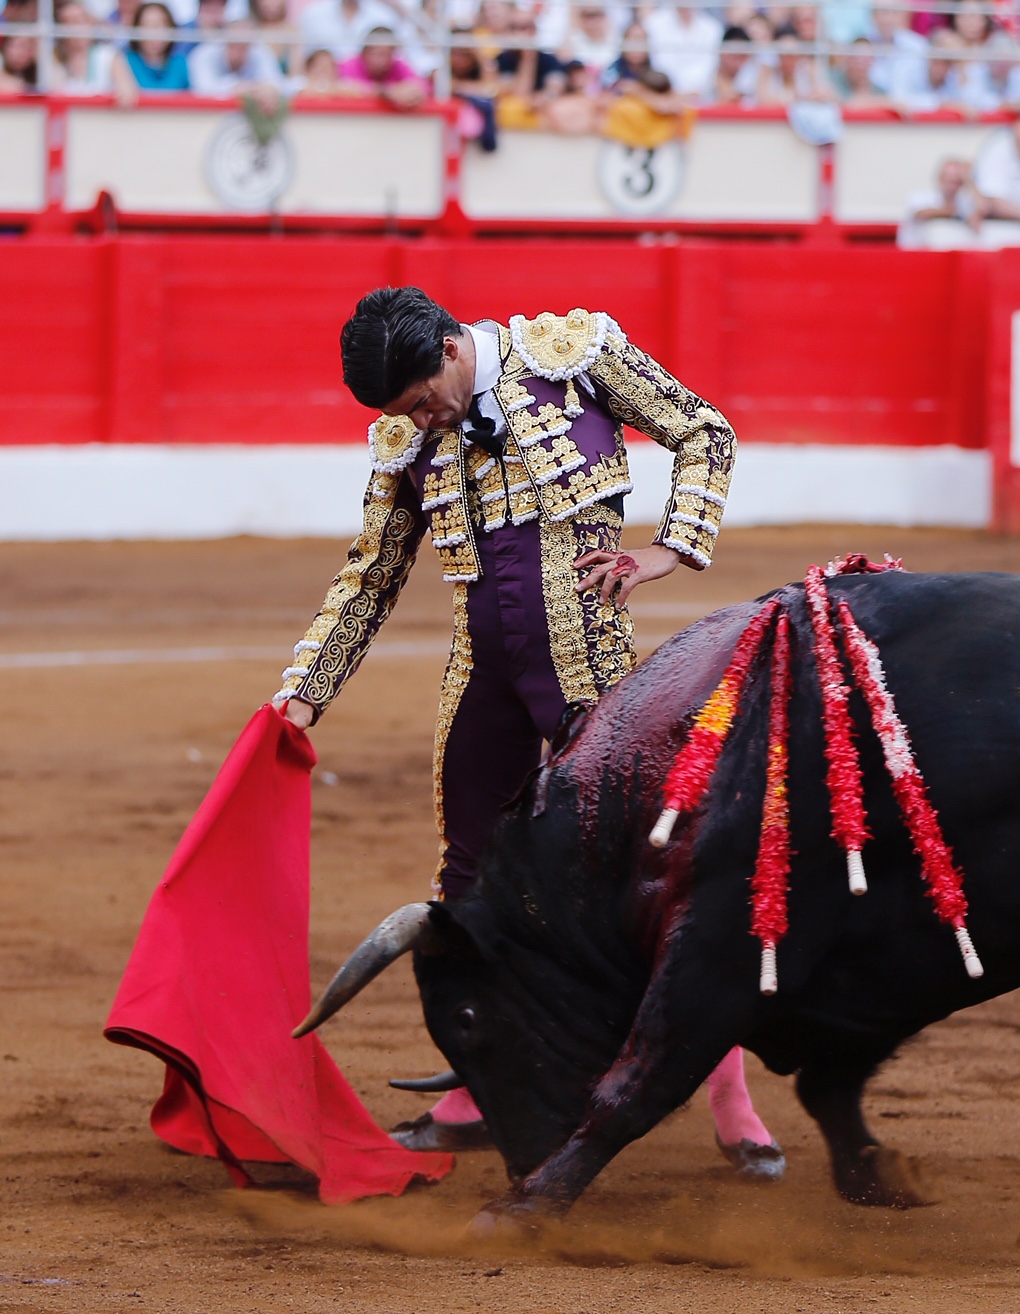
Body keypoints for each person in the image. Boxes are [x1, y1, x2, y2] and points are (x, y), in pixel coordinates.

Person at [275, 288, 781, 1179]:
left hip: (597, 681)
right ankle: (478, 1093)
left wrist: (669, 549)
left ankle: (729, 1098)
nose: (421, 421)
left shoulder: (572, 357)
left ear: (449, 346)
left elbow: (705, 430)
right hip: (482, 682)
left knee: (654, 877)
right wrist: (304, 696)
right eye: (404, 413)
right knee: (470, 882)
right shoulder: (406, 439)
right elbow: (373, 574)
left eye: (423, 400)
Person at [188, 16, 286, 101]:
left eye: (244, 47)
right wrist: (236, 88)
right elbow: (203, 90)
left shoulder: (260, 52)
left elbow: (277, 85)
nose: (238, 52)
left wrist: (265, 90)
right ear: (223, 42)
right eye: (233, 45)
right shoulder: (203, 55)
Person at [114, 1, 190, 98]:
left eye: (159, 25)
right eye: (147, 26)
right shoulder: (124, 62)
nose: (154, 33)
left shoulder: (180, 63)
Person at [643, 2, 721, 96]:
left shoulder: (712, 27)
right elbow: (659, 63)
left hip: (702, 95)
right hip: (662, 93)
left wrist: (692, 92)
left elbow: (710, 66)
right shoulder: (653, 23)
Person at [339, 24, 428, 105]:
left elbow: (421, 86)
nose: (381, 60)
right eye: (377, 53)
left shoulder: (397, 65)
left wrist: (408, 92)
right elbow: (342, 88)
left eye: (387, 54)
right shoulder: (350, 65)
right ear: (365, 51)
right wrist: (386, 92)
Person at [46, 0, 115, 94]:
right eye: (70, 22)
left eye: (82, 20)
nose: (78, 27)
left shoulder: (109, 57)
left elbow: (127, 94)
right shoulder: (53, 59)